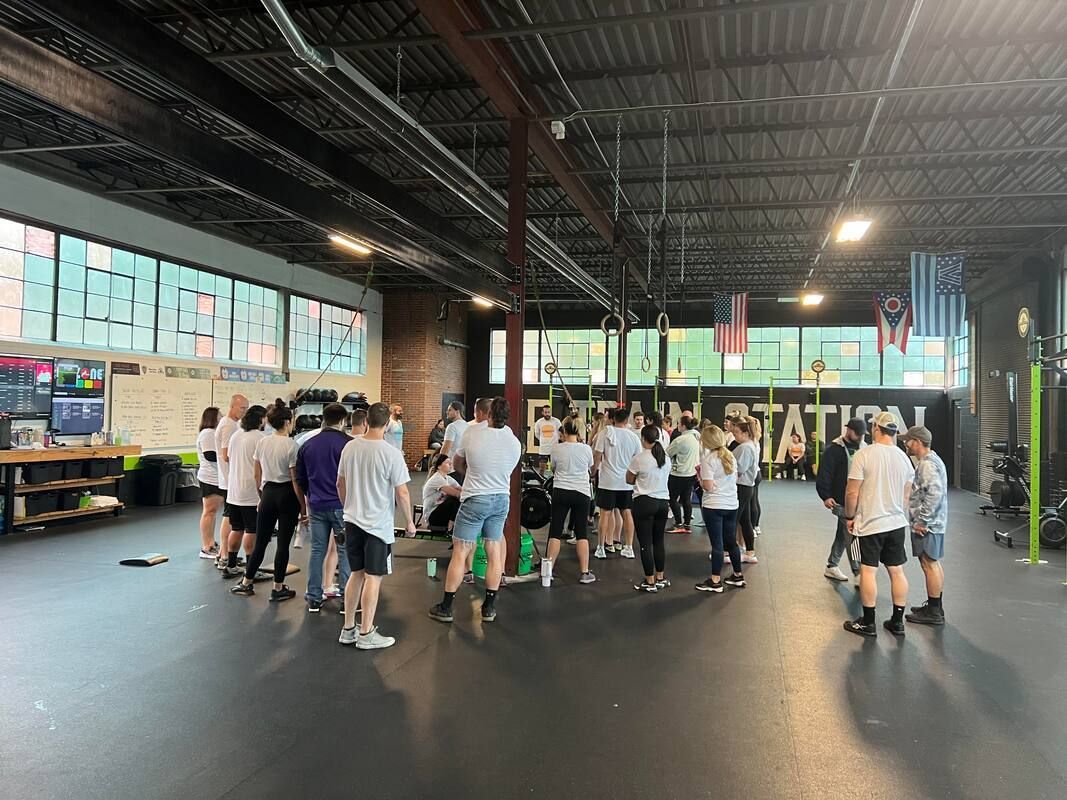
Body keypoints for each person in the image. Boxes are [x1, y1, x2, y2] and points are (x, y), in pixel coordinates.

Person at [429, 397, 521, 624]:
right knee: (493, 547)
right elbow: (509, 469)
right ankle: (489, 607)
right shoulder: (514, 441)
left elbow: (458, 463)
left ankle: (447, 606)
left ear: (488, 414)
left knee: (461, 549)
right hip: (500, 499)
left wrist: (471, 474)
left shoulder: (472, 433)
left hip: (475, 499)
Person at [337, 402, 416, 650]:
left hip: (352, 521)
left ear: (367, 420)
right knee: (373, 577)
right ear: (387, 424)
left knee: (356, 574)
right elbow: (402, 493)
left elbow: (340, 484)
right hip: (377, 526)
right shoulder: (391, 453)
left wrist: (348, 505)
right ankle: (366, 632)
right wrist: (410, 523)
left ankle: (348, 629)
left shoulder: (349, 447)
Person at [842, 411, 914, 637]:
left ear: (876, 429)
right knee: (896, 571)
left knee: (868, 572)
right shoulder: (904, 458)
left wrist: (849, 516)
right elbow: (906, 495)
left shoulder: (864, 455)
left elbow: (852, 492)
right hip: (895, 524)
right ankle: (897, 621)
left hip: (871, 523)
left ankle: (868, 622)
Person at [231, 401, 304, 600]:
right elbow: (295, 480)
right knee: (282, 544)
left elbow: (257, 474)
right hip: (287, 494)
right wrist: (304, 508)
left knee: (261, 541)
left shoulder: (263, 441)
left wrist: (261, 496)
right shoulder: (292, 445)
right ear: (288, 422)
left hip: (268, 492)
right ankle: (278, 588)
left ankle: (246, 582)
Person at [295, 402, 352, 612]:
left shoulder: (308, 445)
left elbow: (300, 478)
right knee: (345, 550)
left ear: (323, 419)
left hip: (316, 505)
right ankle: (348, 597)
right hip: (341, 506)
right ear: (343, 421)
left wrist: (310, 496)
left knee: (317, 550)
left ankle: (313, 597)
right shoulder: (349, 444)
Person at [902, 426, 948, 626]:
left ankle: (934, 611)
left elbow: (934, 494)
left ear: (917, 442)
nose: (906, 444)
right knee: (932, 563)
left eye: (908, 440)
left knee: (929, 564)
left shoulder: (927, 465)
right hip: (934, 523)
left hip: (929, 525)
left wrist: (922, 521)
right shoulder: (932, 460)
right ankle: (934, 605)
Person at [695, 425, 745, 593]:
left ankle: (715, 581)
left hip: (714, 505)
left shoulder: (708, 460)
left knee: (717, 544)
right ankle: (738, 575)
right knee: (731, 542)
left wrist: (699, 479)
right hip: (731, 504)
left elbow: (708, 486)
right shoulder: (730, 456)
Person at [546, 416, 596, 584]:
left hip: (561, 492)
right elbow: (590, 467)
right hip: (581, 494)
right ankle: (584, 573)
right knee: (582, 533)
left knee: (555, 532)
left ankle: (548, 573)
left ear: (564, 431)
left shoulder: (556, 449)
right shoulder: (586, 449)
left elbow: (553, 468)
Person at [816, 418, 867, 583]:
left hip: (859, 500)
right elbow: (825, 473)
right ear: (849, 430)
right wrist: (825, 495)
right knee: (851, 535)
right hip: (840, 500)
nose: (860, 437)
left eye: (862, 434)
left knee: (843, 533)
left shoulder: (864, 449)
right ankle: (858, 572)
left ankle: (832, 565)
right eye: (858, 434)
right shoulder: (833, 450)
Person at [219, 404, 267, 578]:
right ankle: (251, 569)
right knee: (252, 530)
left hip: (234, 491)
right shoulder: (259, 438)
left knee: (237, 528)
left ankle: (231, 565)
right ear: (261, 419)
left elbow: (228, 457)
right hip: (250, 493)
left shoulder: (236, 435)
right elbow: (262, 467)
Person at [627, 424, 672, 592]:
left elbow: (629, 479)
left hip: (644, 502)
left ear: (644, 438)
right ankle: (660, 577)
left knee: (645, 543)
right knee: (658, 541)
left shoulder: (639, 458)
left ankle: (650, 581)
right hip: (662, 503)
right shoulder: (665, 457)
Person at [593, 407, 642, 559]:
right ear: (627, 420)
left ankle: (601, 548)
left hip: (607, 481)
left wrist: (593, 472)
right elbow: (638, 460)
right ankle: (628, 547)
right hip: (626, 482)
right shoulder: (633, 437)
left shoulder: (604, 433)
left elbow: (597, 456)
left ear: (613, 419)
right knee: (626, 512)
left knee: (605, 514)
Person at [215, 393, 249, 570]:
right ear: (233, 406)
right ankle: (224, 554)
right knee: (229, 517)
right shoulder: (228, 425)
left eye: (246, 409)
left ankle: (224, 553)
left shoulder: (233, 424)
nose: (244, 412)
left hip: (231, 479)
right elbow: (226, 454)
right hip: (230, 480)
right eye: (242, 408)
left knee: (230, 517)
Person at [196, 406, 223, 560]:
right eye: (220, 416)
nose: (222, 418)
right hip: (210, 478)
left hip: (217, 477)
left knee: (213, 512)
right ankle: (206, 547)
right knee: (209, 511)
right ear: (213, 418)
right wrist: (227, 457)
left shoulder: (214, 434)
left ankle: (211, 543)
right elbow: (210, 455)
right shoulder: (208, 434)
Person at [665, 415, 699, 532]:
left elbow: (667, 453)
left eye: (678, 423)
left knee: (672, 498)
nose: (677, 426)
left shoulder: (680, 440)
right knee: (686, 499)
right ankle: (687, 525)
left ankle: (678, 523)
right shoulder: (696, 437)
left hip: (678, 474)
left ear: (683, 426)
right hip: (691, 473)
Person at [732, 419, 759, 564]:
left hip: (742, 486)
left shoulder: (746, 448)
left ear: (745, 433)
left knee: (734, 520)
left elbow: (739, 469)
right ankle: (749, 552)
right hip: (746, 486)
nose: (734, 434)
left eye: (736, 432)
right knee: (745, 520)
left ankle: (728, 552)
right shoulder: (748, 446)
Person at [422, 454, 461, 530]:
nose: (450, 464)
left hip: (440, 512)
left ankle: (454, 523)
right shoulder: (437, 479)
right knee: (455, 499)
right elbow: (457, 494)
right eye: (447, 463)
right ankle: (451, 524)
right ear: (439, 466)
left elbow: (461, 489)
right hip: (432, 517)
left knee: (460, 500)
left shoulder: (447, 478)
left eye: (450, 462)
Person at [746, 415, 764, 536]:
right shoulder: (756, 439)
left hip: (752, 473)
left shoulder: (751, 442)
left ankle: (752, 528)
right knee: (754, 501)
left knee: (751, 503)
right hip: (757, 472)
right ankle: (756, 526)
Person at [534, 405, 562, 469]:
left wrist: (556, 440)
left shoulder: (556, 421)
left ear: (551, 412)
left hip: (554, 449)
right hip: (543, 450)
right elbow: (537, 434)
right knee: (541, 470)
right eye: (545, 412)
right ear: (542, 413)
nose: (547, 414)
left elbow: (561, 433)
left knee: (555, 470)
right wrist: (543, 440)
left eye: (548, 412)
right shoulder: (539, 422)